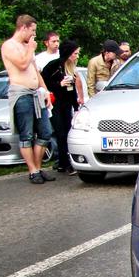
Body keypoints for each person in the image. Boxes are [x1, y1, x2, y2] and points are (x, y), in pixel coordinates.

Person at [0, 15, 55, 184]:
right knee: (27, 135)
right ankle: (32, 170)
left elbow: (35, 71)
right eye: (32, 30)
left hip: (36, 93)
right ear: (23, 28)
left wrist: (46, 91)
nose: (34, 35)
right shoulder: (9, 46)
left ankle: (38, 168)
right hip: (21, 94)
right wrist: (30, 48)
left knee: (45, 132)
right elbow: (22, 65)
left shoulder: (26, 47)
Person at [41, 39, 84, 175]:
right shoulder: (53, 65)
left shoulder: (71, 68)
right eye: (75, 53)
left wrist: (76, 107)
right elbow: (43, 83)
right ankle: (63, 163)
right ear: (68, 53)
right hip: (55, 104)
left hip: (66, 104)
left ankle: (65, 162)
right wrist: (59, 84)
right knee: (60, 133)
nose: (77, 56)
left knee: (67, 131)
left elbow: (72, 90)